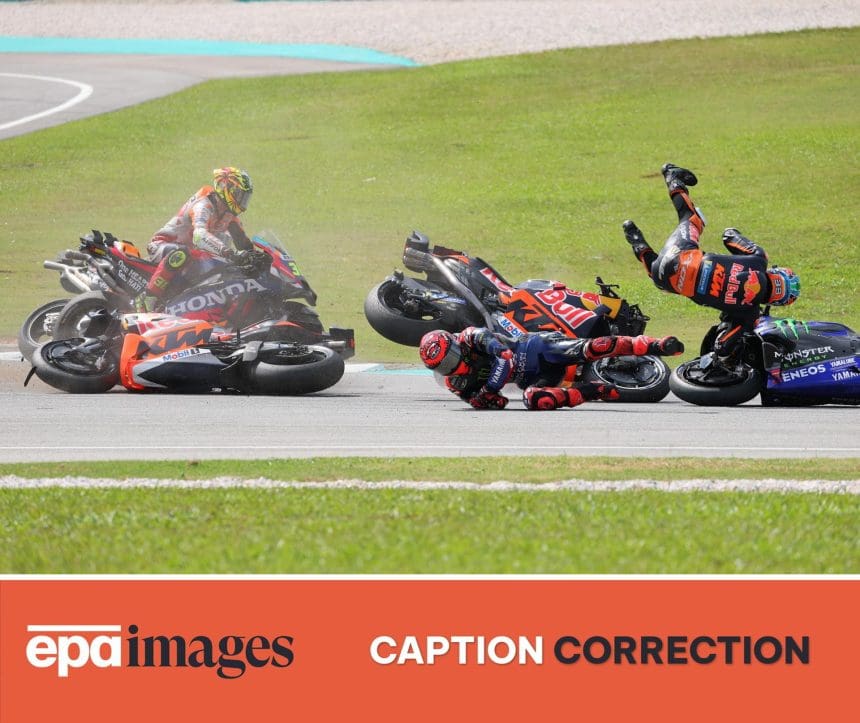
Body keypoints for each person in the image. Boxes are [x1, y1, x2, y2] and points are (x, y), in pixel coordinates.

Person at [622, 163, 800, 357]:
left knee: (692, 218)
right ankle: (639, 245)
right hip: (666, 278)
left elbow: (729, 234)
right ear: (776, 302)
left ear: (777, 273)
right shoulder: (749, 314)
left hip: (680, 254)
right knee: (660, 281)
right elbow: (722, 344)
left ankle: (672, 178)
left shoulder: (759, 258)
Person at [418, 326, 684, 410]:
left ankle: (653, 345)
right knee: (536, 400)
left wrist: (487, 389)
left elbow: (505, 357)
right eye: (445, 366)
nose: (454, 365)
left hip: (537, 349)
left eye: (452, 356)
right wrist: (484, 400)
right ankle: (593, 391)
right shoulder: (456, 384)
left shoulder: (472, 336)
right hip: (537, 377)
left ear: (455, 343)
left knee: (592, 348)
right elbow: (495, 403)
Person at [136, 166, 255, 310]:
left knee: (225, 267)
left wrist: (262, 259)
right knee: (181, 254)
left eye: (244, 197)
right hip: (163, 245)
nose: (241, 200)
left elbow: (245, 245)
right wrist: (230, 253)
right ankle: (147, 299)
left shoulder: (229, 216)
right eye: (238, 194)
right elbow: (199, 236)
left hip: (192, 255)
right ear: (225, 187)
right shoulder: (204, 205)